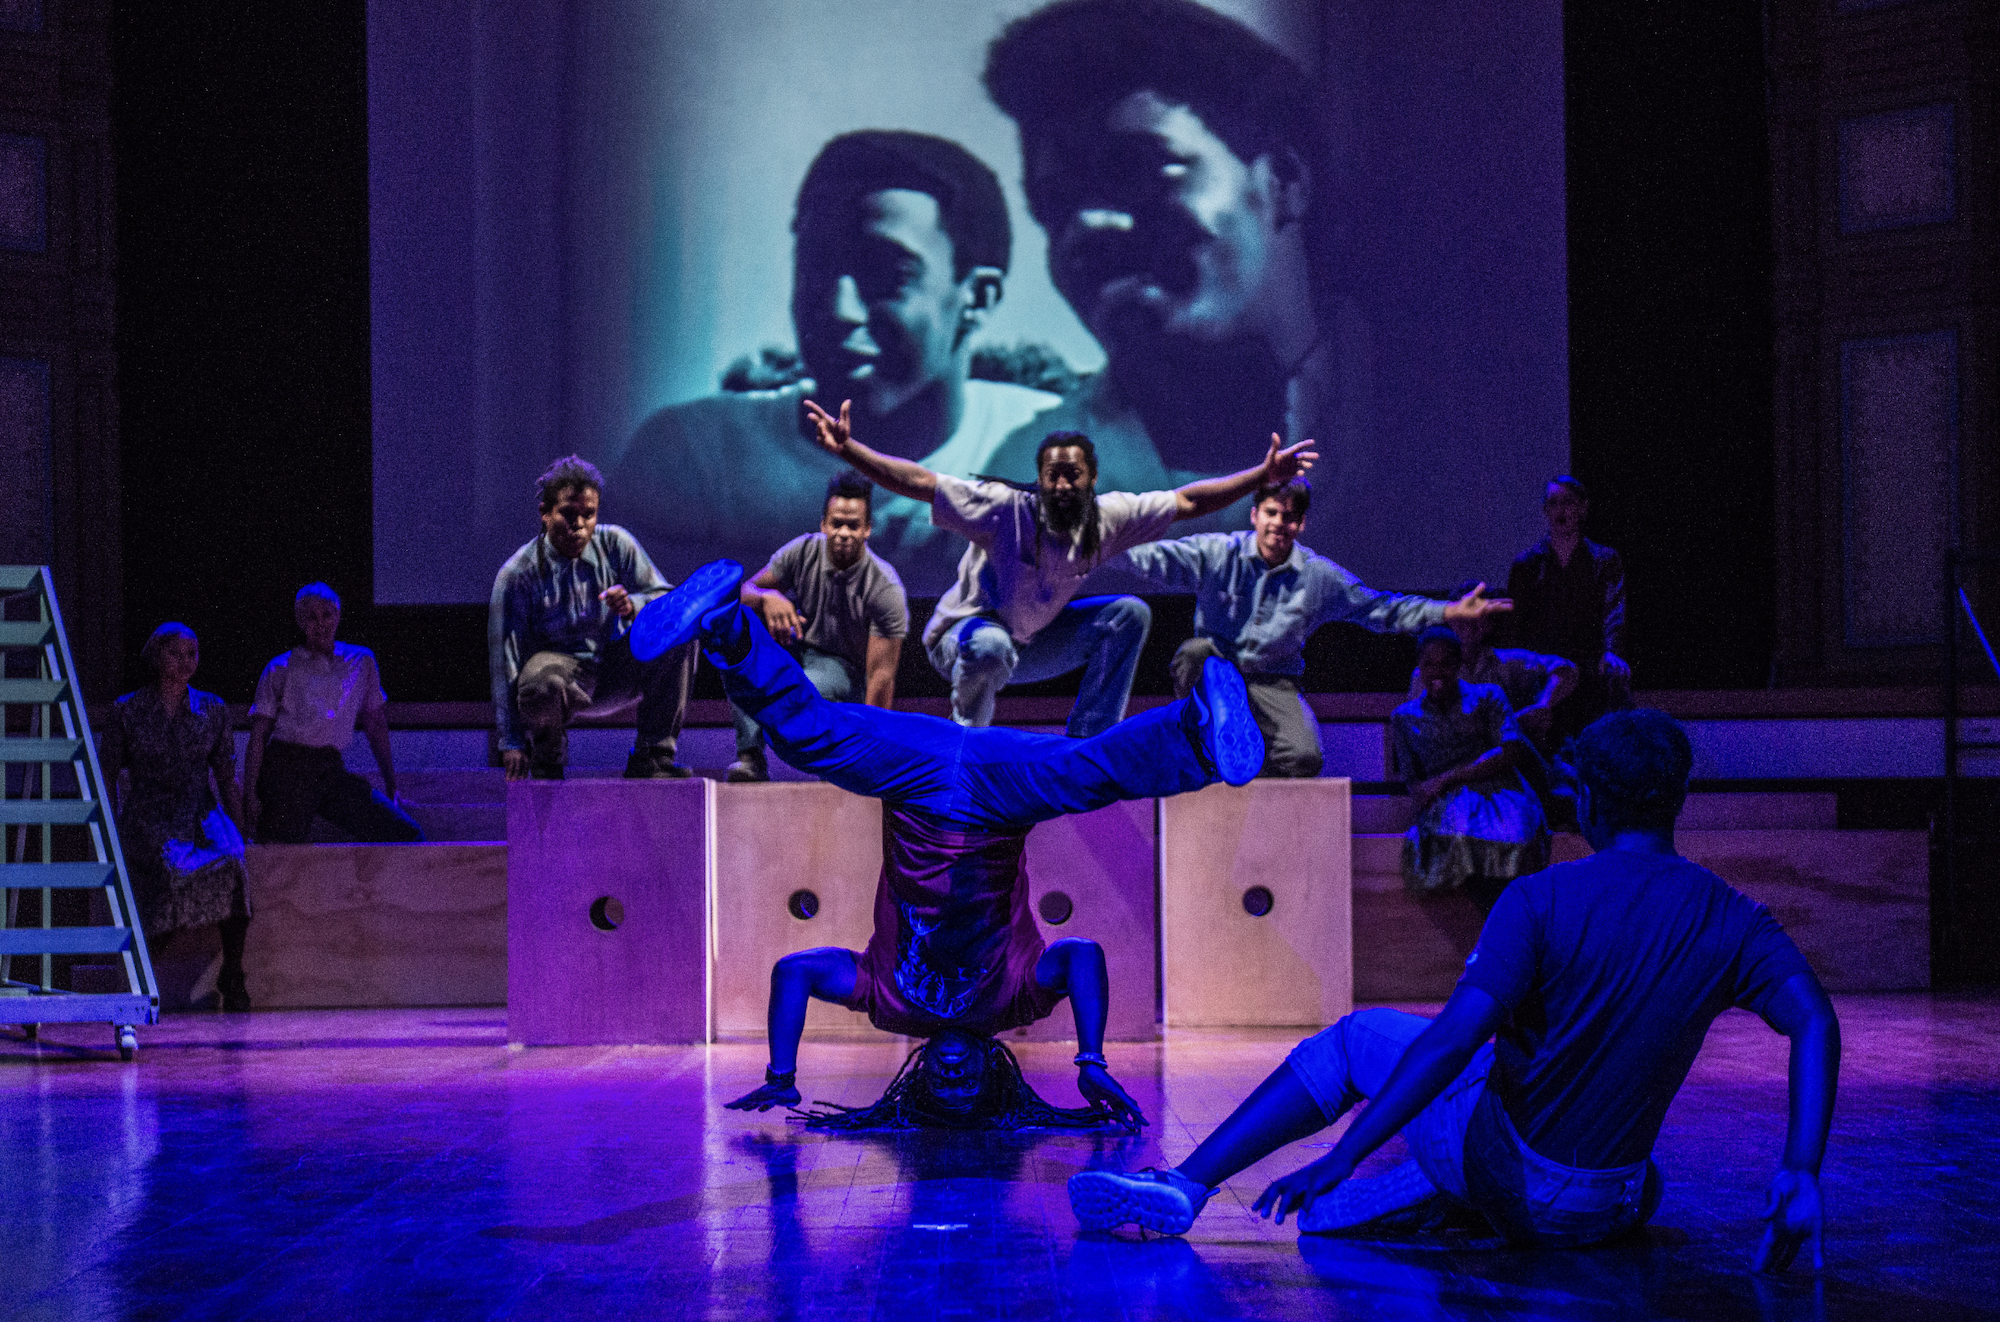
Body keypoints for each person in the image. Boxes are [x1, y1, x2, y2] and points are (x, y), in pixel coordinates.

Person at [1069, 709, 1841, 1280]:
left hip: (1521, 1187)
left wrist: (1344, 1152)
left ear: (1586, 802)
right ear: (1676, 801)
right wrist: (1800, 1170)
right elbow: (1814, 1020)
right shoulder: (1732, 913)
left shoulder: (1543, 899)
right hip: (1615, 1205)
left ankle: (1185, 1185)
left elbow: (1450, 1041)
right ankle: (1445, 1198)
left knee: (1354, 1040)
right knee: (1535, 1109)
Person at [622, 557, 1267, 1128]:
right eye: (968, 1085)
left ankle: (727, 625)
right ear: (996, 1071)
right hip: (997, 795)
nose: (953, 1074)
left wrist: (783, 1076)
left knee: (809, 735)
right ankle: (1198, 732)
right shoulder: (1013, 1000)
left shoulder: (889, 1005)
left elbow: (795, 972)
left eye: (941, 1085)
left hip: (917, 777)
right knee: (1087, 773)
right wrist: (1090, 1059)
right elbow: (1079, 956)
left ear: (917, 1077)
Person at [978, 0, 1365, 543]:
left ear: (1284, 180)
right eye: (1053, 202)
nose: (1085, 226)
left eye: (1140, 170)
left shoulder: (1434, 409)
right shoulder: (1022, 476)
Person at [609, 130, 1061, 591]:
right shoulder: (692, 460)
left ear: (977, 298)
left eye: (886, 271)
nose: (837, 308)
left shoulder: (1049, 454)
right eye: (816, 265)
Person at [806, 398, 1317, 738]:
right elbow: (919, 482)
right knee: (991, 644)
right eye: (1053, 476)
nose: (1063, 485)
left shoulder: (1110, 518)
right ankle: (969, 742)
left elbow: (1186, 503)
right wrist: (851, 448)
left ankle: (1087, 746)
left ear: (1091, 479)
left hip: (1028, 648)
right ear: (1041, 480)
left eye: (1073, 475)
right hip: (960, 643)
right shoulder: (1004, 509)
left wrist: (1260, 477)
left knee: (1129, 615)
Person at [1120, 478, 1512, 777]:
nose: (1279, 524)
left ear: (1301, 524)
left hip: (1273, 682)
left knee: (1305, 758)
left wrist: (1447, 612)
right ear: (1254, 514)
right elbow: (1154, 559)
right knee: (1195, 654)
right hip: (1218, 667)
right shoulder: (1218, 553)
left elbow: (1381, 609)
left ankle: (1241, 764)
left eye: (1289, 517)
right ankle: (1204, 732)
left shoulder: (1317, 576)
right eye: (1271, 513)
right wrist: (1091, 545)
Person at [488, 455, 696, 780]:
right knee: (541, 679)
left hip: (614, 669)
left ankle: (653, 757)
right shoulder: (519, 575)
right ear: (544, 513)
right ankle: (548, 762)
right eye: (569, 514)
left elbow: (666, 598)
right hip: (560, 681)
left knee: (680, 630)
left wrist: (633, 605)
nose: (580, 525)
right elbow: (506, 664)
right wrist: (512, 741)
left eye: (589, 515)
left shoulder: (615, 543)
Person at [98, 624, 254, 1011]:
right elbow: (107, 772)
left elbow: (225, 774)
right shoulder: (128, 710)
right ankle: (144, 977)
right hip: (150, 809)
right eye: (175, 654)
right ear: (157, 657)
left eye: (192, 654)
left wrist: (241, 826)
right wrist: (109, 829)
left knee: (233, 861)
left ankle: (232, 974)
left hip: (199, 808)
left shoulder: (212, 709)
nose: (185, 662)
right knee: (173, 869)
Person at [727, 472, 910, 782]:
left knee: (796, 685)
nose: (843, 533)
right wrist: (768, 597)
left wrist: (870, 758)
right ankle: (750, 757)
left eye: (853, 526)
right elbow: (745, 591)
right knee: (736, 646)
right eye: (836, 523)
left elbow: (881, 677)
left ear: (867, 529)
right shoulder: (803, 551)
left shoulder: (884, 585)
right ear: (824, 524)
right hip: (799, 651)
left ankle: (832, 756)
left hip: (845, 672)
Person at [242, 583, 423, 843]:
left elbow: (375, 725)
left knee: (406, 834)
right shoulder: (281, 667)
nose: (320, 623)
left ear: (337, 616)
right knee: (282, 850)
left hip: (329, 767)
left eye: (327, 614)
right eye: (312, 617)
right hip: (287, 768)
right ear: (301, 622)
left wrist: (391, 782)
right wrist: (250, 793)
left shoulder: (360, 660)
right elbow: (259, 736)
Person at [1391, 628, 1548, 906]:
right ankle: (1489, 929)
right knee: (1457, 838)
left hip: (1498, 790)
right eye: (1429, 664)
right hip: (1445, 802)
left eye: (1445, 663)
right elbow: (1412, 778)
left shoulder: (1487, 696)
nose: (1437, 672)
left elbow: (1510, 751)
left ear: (1458, 664)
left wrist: (1448, 778)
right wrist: (1428, 794)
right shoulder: (1404, 717)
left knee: (1516, 836)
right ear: (1419, 666)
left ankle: (1508, 924)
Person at [1506, 476, 1630, 742]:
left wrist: (1611, 652)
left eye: (1568, 503)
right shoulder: (1528, 564)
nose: (1560, 511)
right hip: (1545, 670)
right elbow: (1517, 625)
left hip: (1590, 665)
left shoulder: (1603, 560)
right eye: (1553, 504)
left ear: (1583, 508)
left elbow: (1613, 609)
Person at [1408, 578, 1577, 754]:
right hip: (1453, 766)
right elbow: (1419, 730)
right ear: (1451, 620)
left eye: (1478, 614)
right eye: (1463, 614)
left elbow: (1565, 668)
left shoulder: (1507, 662)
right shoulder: (1428, 673)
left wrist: (1543, 704)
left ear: (1489, 623)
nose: (1469, 622)